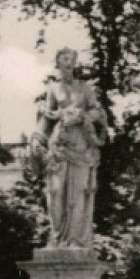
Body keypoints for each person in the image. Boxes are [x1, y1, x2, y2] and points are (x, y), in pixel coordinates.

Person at [33, 48, 110, 249]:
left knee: (78, 196)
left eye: (72, 59)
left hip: (81, 148)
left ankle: (75, 240)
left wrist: (82, 116)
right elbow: (45, 119)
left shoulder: (85, 89)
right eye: (64, 59)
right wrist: (36, 140)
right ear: (58, 63)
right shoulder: (53, 89)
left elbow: (98, 112)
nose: (69, 62)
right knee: (55, 192)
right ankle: (57, 237)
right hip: (59, 147)